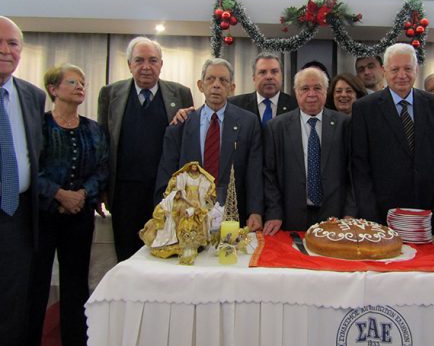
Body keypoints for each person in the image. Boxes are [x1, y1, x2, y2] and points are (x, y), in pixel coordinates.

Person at [28, 64, 108, 346]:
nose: (80, 87)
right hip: (44, 215)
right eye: (72, 82)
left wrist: (82, 195)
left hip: (80, 216)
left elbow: (102, 169)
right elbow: (31, 168)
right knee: (36, 282)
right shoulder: (39, 126)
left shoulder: (93, 129)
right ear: (53, 89)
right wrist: (59, 194)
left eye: (82, 82)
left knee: (76, 285)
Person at [97, 36, 193, 261]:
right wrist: (102, 189)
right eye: (139, 60)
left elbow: (188, 142)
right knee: (126, 255)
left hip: (165, 193)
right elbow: (103, 142)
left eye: (153, 60)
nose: (146, 67)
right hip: (124, 193)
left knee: (165, 255)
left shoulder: (180, 93)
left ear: (161, 64)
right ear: (129, 64)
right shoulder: (110, 93)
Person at [155, 58, 264, 231]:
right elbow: (167, 175)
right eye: (210, 79)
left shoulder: (248, 123)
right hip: (188, 219)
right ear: (200, 85)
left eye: (223, 80)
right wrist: (164, 212)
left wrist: (255, 211)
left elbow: (254, 172)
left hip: (233, 217)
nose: (216, 85)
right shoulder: (180, 126)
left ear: (232, 88)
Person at [351, 43, 434, 225]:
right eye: (395, 69)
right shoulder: (365, 108)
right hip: (382, 213)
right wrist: (369, 215)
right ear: (384, 71)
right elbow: (360, 168)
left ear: (416, 69)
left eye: (407, 68)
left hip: (428, 212)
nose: (402, 75)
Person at [263, 67, 354, 234]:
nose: (311, 94)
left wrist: (350, 213)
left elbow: (353, 174)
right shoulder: (277, 127)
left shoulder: (344, 125)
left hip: (336, 218)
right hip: (290, 217)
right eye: (305, 88)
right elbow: (269, 175)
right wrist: (274, 212)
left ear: (326, 91)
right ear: (296, 92)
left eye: (317, 88)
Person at [0, 16, 45, 346]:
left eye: (13, 43)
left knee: (13, 303)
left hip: (17, 216)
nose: (5, 50)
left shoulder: (33, 96)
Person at [228, 52, 298, 125]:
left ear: (281, 76)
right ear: (254, 78)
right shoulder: (234, 105)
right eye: (263, 72)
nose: (269, 77)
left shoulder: (296, 106)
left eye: (274, 72)